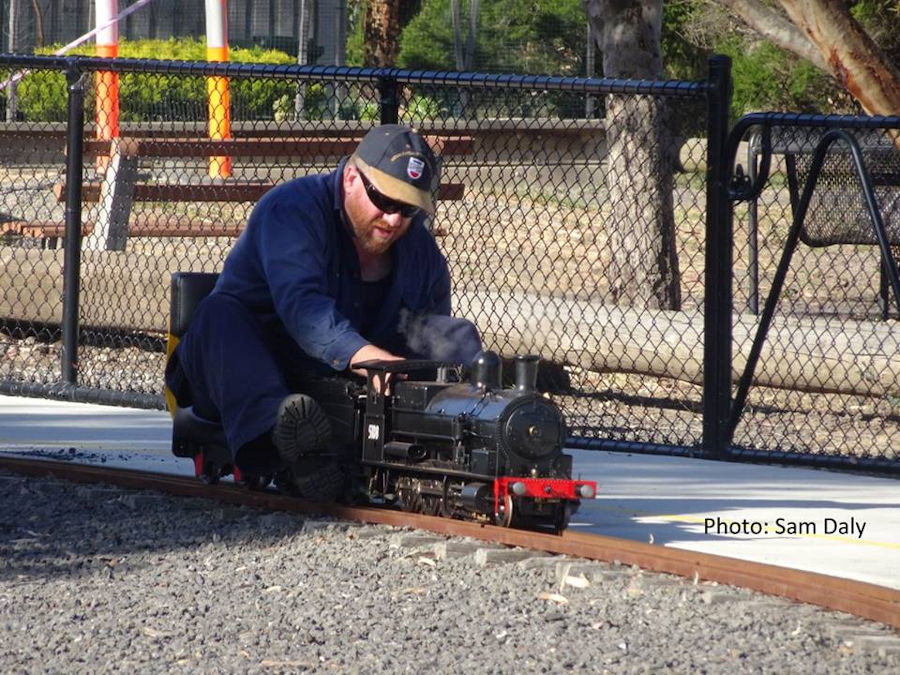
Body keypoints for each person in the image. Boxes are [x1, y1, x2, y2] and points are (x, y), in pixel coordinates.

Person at [165, 125, 482, 498]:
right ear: (351, 178)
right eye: (384, 200)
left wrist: (465, 380)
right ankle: (290, 439)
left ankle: (471, 444)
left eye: (408, 208)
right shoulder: (291, 210)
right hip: (244, 366)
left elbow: (429, 329)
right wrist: (368, 359)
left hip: (336, 377)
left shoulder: (421, 250)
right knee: (219, 315)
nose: (394, 219)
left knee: (456, 336)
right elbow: (303, 308)